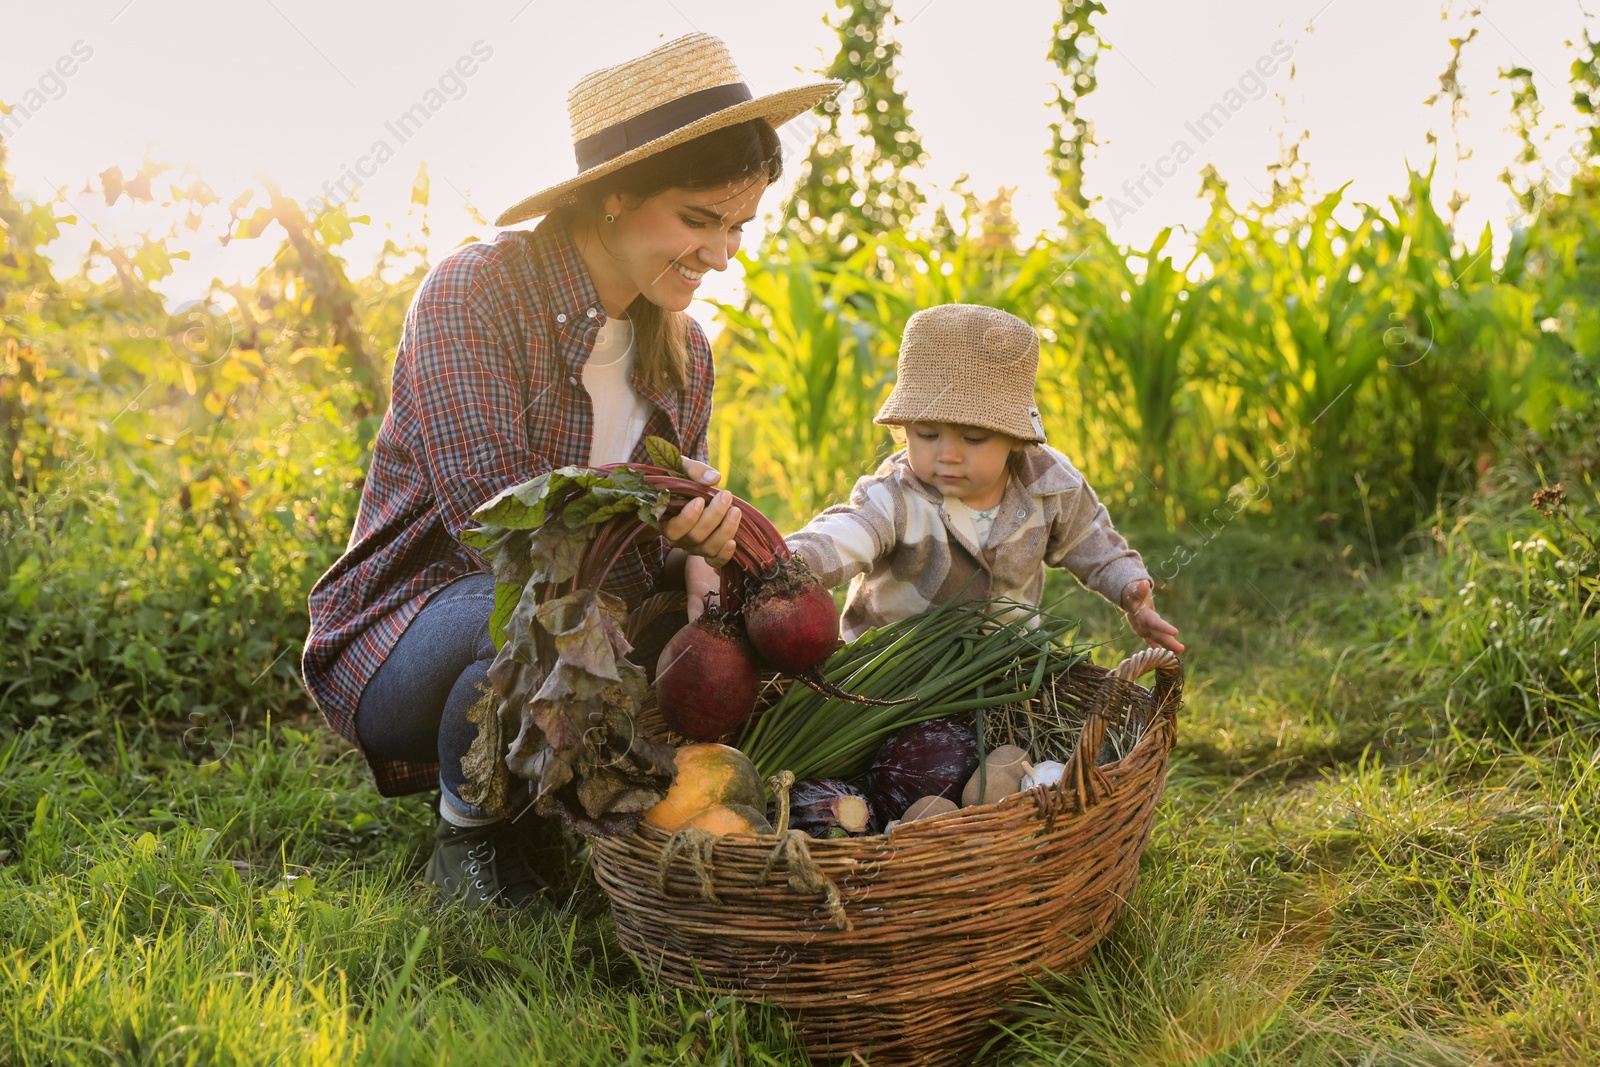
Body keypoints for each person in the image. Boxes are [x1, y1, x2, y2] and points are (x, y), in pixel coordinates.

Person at [300, 33, 840, 908]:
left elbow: (651, 561)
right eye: (699, 219)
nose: (723, 253)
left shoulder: (686, 352)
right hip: (415, 630)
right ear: (617, 193)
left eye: (738, 224)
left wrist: (699, 554)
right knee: (544, 613)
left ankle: (618, 821)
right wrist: (649, 512)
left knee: (707, 637)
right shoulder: (473, 294)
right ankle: (465, 840)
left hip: (589, 632)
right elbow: (492, 523)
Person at [784, 303, 1185, 653]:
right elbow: (850, 532)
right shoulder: (898, 494)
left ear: (1015, 437)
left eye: (973, 438)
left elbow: (1092, 541)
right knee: (919, 742)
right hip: (894, 676)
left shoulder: (1050, 486)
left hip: (1002, 669)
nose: (948, 454)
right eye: (926, 434)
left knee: (1018, 734)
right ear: (904, 428)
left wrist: (1129, 587)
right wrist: (791, 563)